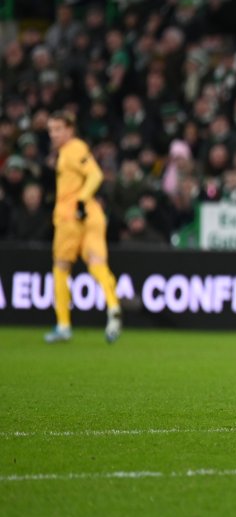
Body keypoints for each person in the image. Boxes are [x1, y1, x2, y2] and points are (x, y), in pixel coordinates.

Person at [45, 111, 126, 343]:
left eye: (58, 129)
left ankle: (63, 325)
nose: (54, 134)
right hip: (92, 215)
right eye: (51, 130)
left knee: (61, 267)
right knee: (97, 264)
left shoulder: (74, 148)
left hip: (71, 216)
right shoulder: (68, 151)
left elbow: (95, 175)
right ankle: (113, 307)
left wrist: (80, 200)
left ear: (70, 130)